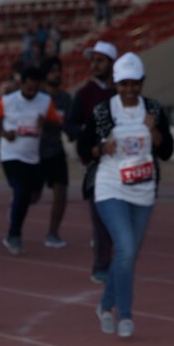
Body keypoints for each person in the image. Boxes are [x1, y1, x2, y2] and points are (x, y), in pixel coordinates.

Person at [79, 52, 173, 339]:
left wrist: (153, 130)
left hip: (143, 189)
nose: (130, 89)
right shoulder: (103, 111)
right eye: (124, 84)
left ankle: (105, 306)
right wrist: (99, 150)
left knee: (126, 254)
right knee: (127, 249)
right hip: (110, 187)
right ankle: (126, 315)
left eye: (135, 84)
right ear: (116, 83)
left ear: (142, 83)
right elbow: (84, 150)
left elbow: (166, 151)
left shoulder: (154, 109)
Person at [0, 65, 60, 255]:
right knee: (22, 190)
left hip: (33, 156)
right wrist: (4, 132)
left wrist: (46, 123)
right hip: (11, 154)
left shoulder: (45, 101)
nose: (32, 92)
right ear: (21, 83)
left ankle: (17, 204)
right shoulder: (8, 101)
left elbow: (56, 123)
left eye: (35, 89)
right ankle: (13, 235)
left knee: (33, 195)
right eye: (28, 88)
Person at [67, 40, 117, 283]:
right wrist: (86, 131)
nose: (95, 65)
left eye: (100, 60)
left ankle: (108, 250)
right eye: (93, 60)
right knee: (101, 215)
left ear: (111, 63)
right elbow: (70, 126)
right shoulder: (84, 94)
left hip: (122, 160)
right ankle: (101, 265)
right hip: (95, 163)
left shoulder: (122, 91)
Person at [39, 56, 72, 248]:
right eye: (52, 71)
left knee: (61, 191)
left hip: (56, 150)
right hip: (35, 152)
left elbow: (69, 123)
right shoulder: (37, 96)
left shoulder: (65, 98)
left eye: (58, 70)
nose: (56, 74)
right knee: (32, 195)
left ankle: (53, 232)